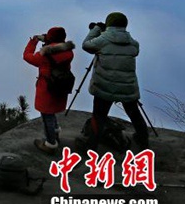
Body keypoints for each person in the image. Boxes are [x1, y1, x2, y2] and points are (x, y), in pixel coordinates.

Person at [82, 11, 148, 150]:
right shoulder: (133, 43)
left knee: (99, 116)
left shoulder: (102, 40)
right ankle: (143, 139)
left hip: (104, 86)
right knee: (134, 113)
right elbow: (134, 52)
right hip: (127, 87)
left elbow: (86, 45)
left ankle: (91, 145)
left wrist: (96, 30)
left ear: (109, 24)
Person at [23, 26, 75, 154]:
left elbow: (27, 56)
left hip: (47, 87)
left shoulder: (45, 56)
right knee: (52, 112)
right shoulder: (69, 52)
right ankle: (55, 132)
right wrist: (46, 39)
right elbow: (56, 44)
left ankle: (50, 143)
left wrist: (33, 42)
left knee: (47, 114)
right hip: (61, 85)